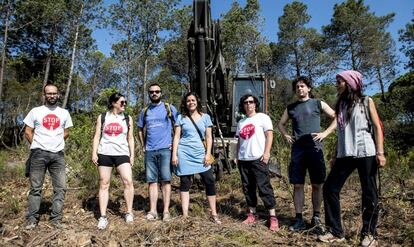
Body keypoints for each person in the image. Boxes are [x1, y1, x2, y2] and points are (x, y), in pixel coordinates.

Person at [318, 70, 386, 246]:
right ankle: (335, 231)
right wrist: (335, 154)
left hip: (366, 152)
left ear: (350, 83)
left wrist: (380, 152)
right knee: (330, 189)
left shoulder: (366, 101)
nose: (337, 84)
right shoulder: (340, 104)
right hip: (345, 153)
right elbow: (341, 132)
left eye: (340, 81)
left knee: (369, 193)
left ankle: (369, 234)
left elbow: (377, 127)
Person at [277, 76, 336, 233]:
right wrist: (286, 135)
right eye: (297, 87)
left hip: (315, 148)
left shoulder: (318, 103)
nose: (299, 89)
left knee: (317, 184)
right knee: (298, 185)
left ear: (309, 88)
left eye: (302, 86)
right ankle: (299, 219)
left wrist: (325, 133)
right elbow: (280, 124)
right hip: (298, 150)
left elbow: (337, 117)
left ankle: (316, 217)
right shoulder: (291, 107)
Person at [23, 83, 73, 229]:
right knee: (36, 188)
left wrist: (55, 143)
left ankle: (56, 219)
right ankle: (32, 219)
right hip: (38, 154)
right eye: (49, 93)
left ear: (58, 95)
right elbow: (28, 131)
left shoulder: (64, 113)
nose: (52, 96)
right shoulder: (35, 111)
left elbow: (67, 132)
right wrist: (38, 145)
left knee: (61, 187)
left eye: (54, 93)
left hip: (58, 155)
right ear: (44, 95)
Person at [171, 92, 221, 224]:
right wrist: (174, 154)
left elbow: (209, 137)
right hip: (184, 153)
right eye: (188, 101)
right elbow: (176, 137)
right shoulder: (181, 117)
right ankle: (185, 215)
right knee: (185, 182)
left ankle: (214, 213)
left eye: (193, 100)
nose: (191, 102)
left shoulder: (206, 117)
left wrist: (208, 154)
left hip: (200, 154)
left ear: (197, 102)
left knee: (209, 180)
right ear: (185, 103)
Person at [92, 92, 135, 230]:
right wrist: (94, 152)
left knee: (128, 181)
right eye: (122, 102)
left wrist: (132, 155)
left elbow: (130, 138)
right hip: (105, 153)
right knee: (104, 184)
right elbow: (97, 136)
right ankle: (103, 217)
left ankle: (128, 213)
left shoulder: (128, 118)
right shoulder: (103, 117)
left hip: (122, 153)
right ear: (113, 103)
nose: (124, 105)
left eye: (125, 102)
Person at [236, 94, 279, 231]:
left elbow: (269, 135)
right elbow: (239, 141)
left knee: (264, 187)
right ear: (243, 105)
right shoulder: (241, 122)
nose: (248, 104)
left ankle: (272, 217)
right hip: (243, 160)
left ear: (255, 104)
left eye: (251, 102)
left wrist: (266, 153)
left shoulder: (262, 117)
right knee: (248, 188)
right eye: (245, 102)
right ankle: (252, 214)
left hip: (258, 159)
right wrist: (237, 155)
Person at [137, 83, 178, 222]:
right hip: (150, 150)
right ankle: (153, 210)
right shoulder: (145, 111)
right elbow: (139, 129)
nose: (154, 93)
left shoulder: (169, 108)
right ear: (149, 94)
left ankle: (166, 212)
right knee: (152, 182)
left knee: (166, 180)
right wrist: (143, 146)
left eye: (157, 91)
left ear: (161, 93)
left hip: (166, 149)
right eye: (152, 92)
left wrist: (175, 144)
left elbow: (178, 125)